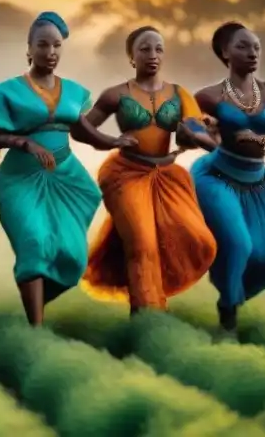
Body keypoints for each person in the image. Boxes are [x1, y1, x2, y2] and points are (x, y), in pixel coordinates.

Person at [0, 11, 104, 325]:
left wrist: (115, 141)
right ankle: (36, 328)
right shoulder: (9, 90)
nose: (51, 52)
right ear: (29, 49)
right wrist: (24, 143)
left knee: (73, 255)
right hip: (20, 178)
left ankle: (32, 303)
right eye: (43, 45)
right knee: (33, 242)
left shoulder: (72, 90)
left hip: (66, 177)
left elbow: (84, 131)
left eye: (57, 45)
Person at [80, 26, 218, 314]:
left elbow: (197, 133)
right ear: (132, 57)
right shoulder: (115, 94)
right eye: (144, 49)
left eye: (158, 49)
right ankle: (147, 318)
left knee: (199, 239)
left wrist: (206, 138)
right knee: (142, 244)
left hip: (168, 176)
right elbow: (81, 128)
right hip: (125, 174)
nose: (152, 55)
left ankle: (152, 302)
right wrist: (111, 140)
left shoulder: (180, 94)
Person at [192, 21, 265, 333]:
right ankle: (227, 320)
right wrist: (203, 131)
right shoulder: (208, 96)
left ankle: (232, 298)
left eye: (256, 46)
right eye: (243, 46)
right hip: (216, 177)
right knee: (238, 244)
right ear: (225, 52)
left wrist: (262, 141)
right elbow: (187, 133)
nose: (252, 53)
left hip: (260, 183)